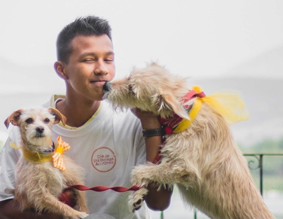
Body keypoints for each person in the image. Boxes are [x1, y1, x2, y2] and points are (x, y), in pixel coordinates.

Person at [0, 15, 172, 219]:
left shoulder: (134, 121)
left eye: (108, 59)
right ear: (62, 70)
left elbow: (158, 203)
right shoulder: (28, 126)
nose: (102, 69)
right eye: (89, 60)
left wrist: (151, 124)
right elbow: (5, 207)